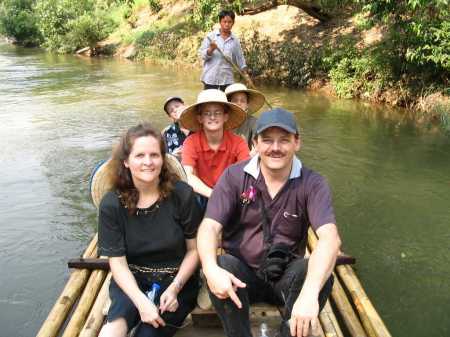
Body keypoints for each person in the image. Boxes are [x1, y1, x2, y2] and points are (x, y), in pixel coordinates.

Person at [197, 108, 342, 337]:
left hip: (286, 278)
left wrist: (309, 293)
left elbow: (330, 238)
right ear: (255, 143)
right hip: (243, 277)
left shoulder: (312, 183)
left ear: (297, 143)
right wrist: (209, 268)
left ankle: (289, 331)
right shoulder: (234, 177)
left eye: (284, 140)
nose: (275, 148)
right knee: (221, 264)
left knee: (321, 276)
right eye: (267, 140)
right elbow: (209, 226)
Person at [97, 123, 202, 337]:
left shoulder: (182, 195)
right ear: (126, 161)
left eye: (154, 155)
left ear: (163, 159)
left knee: (147, 334)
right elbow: (117, 262)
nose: (148, 162)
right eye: (140, 156)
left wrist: (174, 287)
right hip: (131, 280)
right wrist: (141, 302)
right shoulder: (112, 204)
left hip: (177, 280)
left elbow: (194, 249)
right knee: (112, 331)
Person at [179, 89, 250, 201]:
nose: (212, 117)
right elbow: (187, 175)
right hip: (201, 194)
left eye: (217, 113)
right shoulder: (191, 142)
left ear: (225, 117)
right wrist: (214, 195)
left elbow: (247, 174)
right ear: (200, 118)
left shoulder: (238, 142)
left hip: (230, 193)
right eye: (207, 113)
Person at [199, 10, 250, 91]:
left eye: (229, 22)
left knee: (225, 103)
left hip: (226, 80)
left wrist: (246, 75)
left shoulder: (235, 40)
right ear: (220, 22)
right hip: (210, 78)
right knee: (210, 102)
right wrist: (211, 49)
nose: (227, 24)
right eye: (224, 21)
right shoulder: (211, 37)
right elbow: (202, 55)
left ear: (233, 23)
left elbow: (240, 59)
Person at [225, 83, 266, 150]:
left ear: (247, 105)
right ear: (229, 104)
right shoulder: (222, 122)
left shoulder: (254, 123)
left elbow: (258, 149)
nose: (239, 103)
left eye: (243, 101)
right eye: (235, 100)